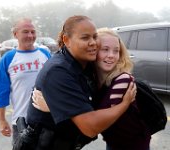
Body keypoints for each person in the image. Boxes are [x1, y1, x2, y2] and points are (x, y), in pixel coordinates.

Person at [17, 15, 136, 150]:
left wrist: (54, 108)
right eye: (85, 38)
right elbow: (90, 127)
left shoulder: (85, 64)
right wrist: (124, 104)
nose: (92, 42)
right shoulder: (58, 71)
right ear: (66, 40)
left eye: (95, 36)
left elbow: (90, 107)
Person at [0, 18, 51, 144]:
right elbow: (1, 92)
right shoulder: (8, 59)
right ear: (15, 34)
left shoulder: (45, 54)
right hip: (21, 123)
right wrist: (2, 120)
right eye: (25, 32)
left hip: (48, 121)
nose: (30, 35)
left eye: (33, 32)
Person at [93, 28, 151, 150]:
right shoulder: (95, 80)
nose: (111, 56)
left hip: (133, 144)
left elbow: (101, 119)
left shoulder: (123, 79)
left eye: (116, 51)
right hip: (114, 141)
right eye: (105, 49)